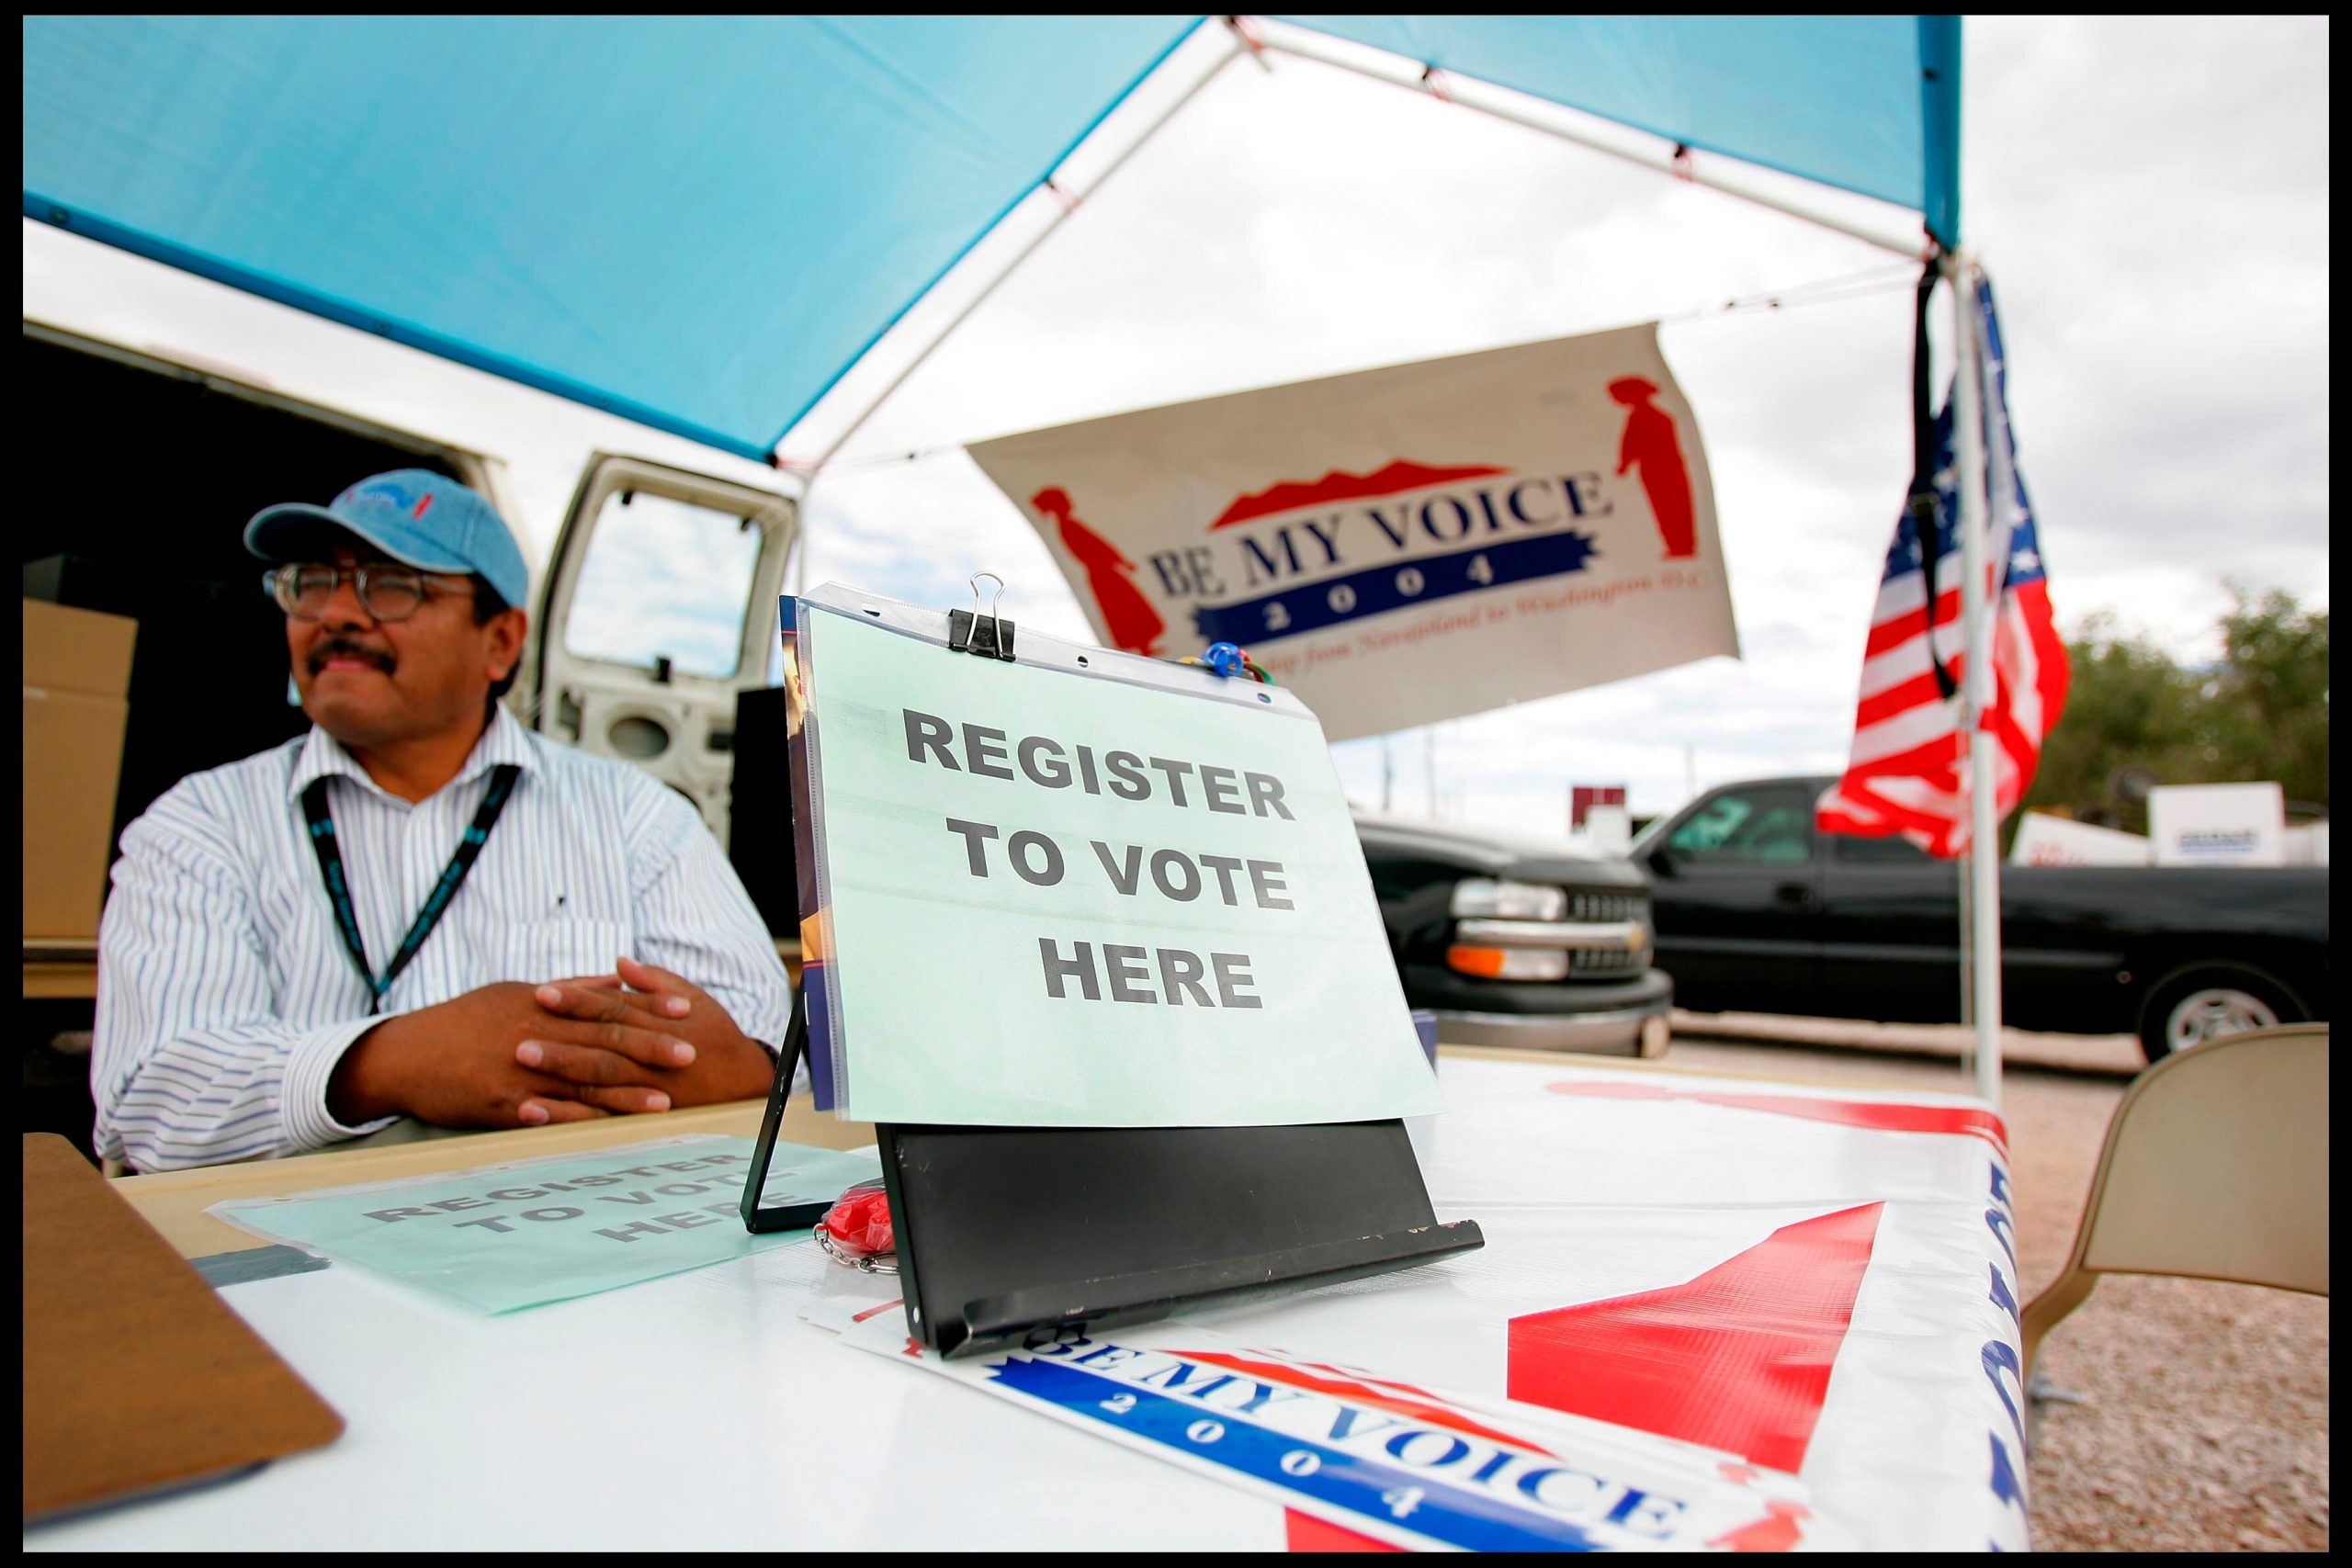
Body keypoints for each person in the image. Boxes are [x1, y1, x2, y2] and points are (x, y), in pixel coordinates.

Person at [92, 470, 794, 1173]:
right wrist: (388, 1061)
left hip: (583, 1227)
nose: (336, 613)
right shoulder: (198, 824)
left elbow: (758, 1060)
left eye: (391, 584)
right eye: (310, 581)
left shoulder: (637, 819)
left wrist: (707, 1062)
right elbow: (147, 1104)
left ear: (501, 640)